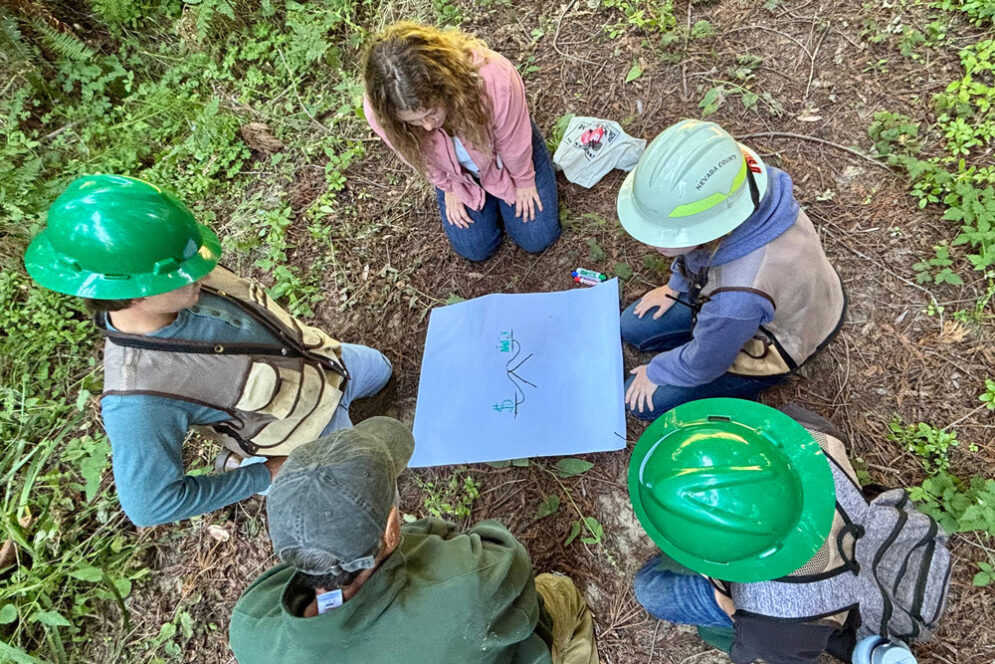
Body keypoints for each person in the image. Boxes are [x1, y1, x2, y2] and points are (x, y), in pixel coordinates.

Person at [22, 174, 393, 527]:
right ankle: (255, 467)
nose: (203, 271)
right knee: (374, 497)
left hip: (328, 365)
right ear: (129, 294)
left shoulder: (187, 272)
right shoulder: (139, 397)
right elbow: (151, 505)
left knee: (384, 371)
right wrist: (266, 472)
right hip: (302, 437)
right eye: (181, 274)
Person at [229, 417, 599, 664]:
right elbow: (502, 553)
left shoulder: (250, 625)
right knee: (558, 593)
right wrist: (422, 536)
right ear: (392, 528)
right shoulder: (468, 587)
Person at [628, 399, 951, 664]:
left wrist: (727, 604)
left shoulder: (774, 623)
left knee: (651, 589)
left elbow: (753, 648)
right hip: (852, 548)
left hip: (819, 606)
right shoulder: (808, 431)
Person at [615, 119, 845, 420]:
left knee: (637, 401)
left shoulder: (736, 300)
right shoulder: (746, 192)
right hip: (779, 302)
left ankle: (749, 381)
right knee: (632, 326)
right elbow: (698, 252)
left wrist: (657, 371)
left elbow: (705, 364)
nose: (652, 242)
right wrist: (674, 288)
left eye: (667, 234)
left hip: (780, 341)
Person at [362, 21, 560, 262]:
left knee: (537, 236)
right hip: (456, 173)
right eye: (413, 121)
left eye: (431, 113)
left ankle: (504, 190)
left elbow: (513, 143)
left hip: (505, 155)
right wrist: (448, 186)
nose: (427, 126)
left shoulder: (493, 79)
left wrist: (524, 179)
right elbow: (418, 157)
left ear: (446, 86)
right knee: (474, 249)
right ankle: (488, 196)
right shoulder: (381, 114)